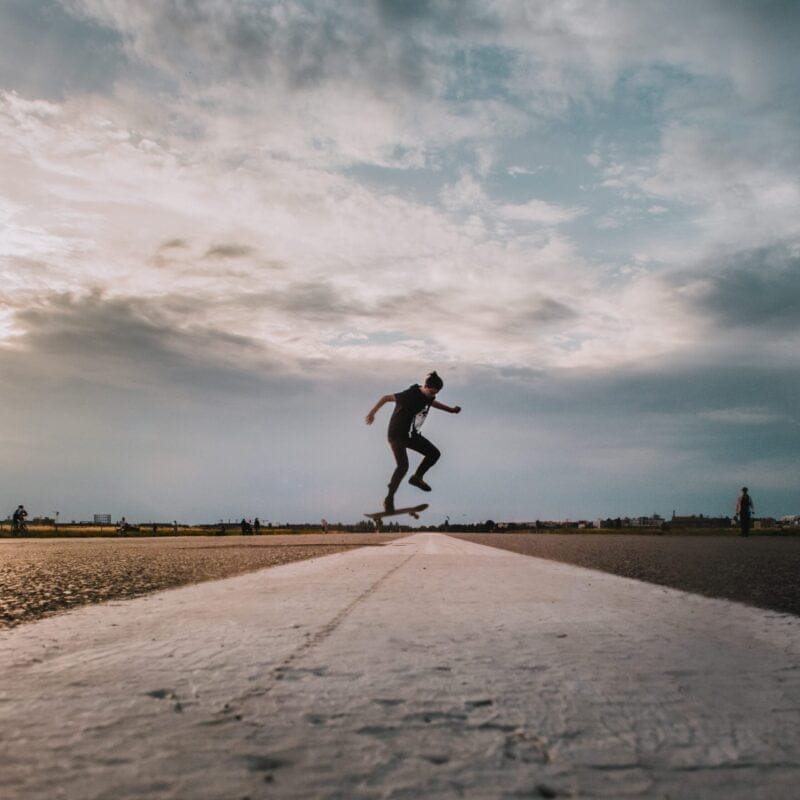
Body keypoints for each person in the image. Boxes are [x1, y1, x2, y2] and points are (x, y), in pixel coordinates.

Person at [366, 371, 461, 512]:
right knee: (403, 466)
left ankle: (417, 477)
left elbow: (432, 402)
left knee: (434, 454)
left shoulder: (428, 396)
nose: (433, 396)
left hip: (411, 435)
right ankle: (389, 498)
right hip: (396, 434)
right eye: (432, 392)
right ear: (425, 386)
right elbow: (386, 398)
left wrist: (451, 410)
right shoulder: (408, 395)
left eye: (436, 393)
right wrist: (372, 413)